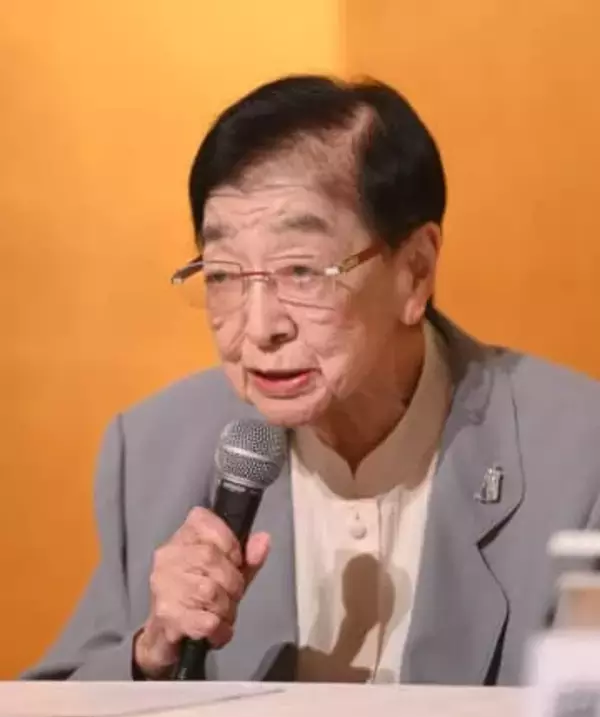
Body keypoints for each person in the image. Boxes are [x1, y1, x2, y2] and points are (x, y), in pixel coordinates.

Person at [24, 74, 600, 685]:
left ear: (415, 271)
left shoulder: (579, 460)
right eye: (222, 274)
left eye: (301, 271)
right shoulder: (153, 452)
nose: (259, 328)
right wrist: (150, 654)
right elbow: (55, 703)